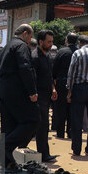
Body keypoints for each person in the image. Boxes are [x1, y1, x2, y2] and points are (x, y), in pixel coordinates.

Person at [0, 24, 39, 172]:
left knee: (8, 126)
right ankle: (4, 149)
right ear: (26, 34)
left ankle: (7, 162)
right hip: (17, 92)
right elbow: (25, 67)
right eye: (30, 37)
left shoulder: (6, 46)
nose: (30, 41)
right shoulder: (21, 46)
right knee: (32, 120)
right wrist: (32, 91)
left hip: (4, 91)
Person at [31, 29, 58, 162]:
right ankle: (43, 154)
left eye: (52, 42)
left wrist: (53, 89)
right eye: (49, 42)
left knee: (43, 126)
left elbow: (50, 76)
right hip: (38, 96)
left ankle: (43, 153)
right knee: (41, 126)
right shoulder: (35, 57)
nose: (51, 44)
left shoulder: (47, 56)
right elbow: (32, 78)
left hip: (46, 96)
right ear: (40, 41)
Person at [52, 32, 78, 139]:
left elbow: (54, 68)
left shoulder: (61, 51)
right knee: (73, 109)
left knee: (60, 109)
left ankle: (60, 132)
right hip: (75, 84)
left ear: (67, 40)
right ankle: (70, 132)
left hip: (61, 83)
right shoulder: (78, 52)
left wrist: (54, 82)